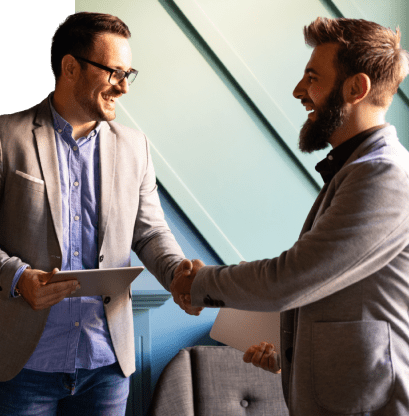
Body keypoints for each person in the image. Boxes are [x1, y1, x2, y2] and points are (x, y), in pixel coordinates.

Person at [171, 17, 409, 415]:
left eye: (312, 77)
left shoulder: (382, 174)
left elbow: (293, 277)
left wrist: (198, 284)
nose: (299, 91)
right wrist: (291, 354)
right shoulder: (358, 169)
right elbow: (349, 295)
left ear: (356, 88)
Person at [0, 12, 201, 415]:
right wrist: (18, 278)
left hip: (105, 367)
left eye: (129, 74)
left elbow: (150, 233)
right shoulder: (4, 137)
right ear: (70, 67)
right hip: (23, 368)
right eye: (114, 72)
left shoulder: (135, 146)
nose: (124, 87)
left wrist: (178, 275)